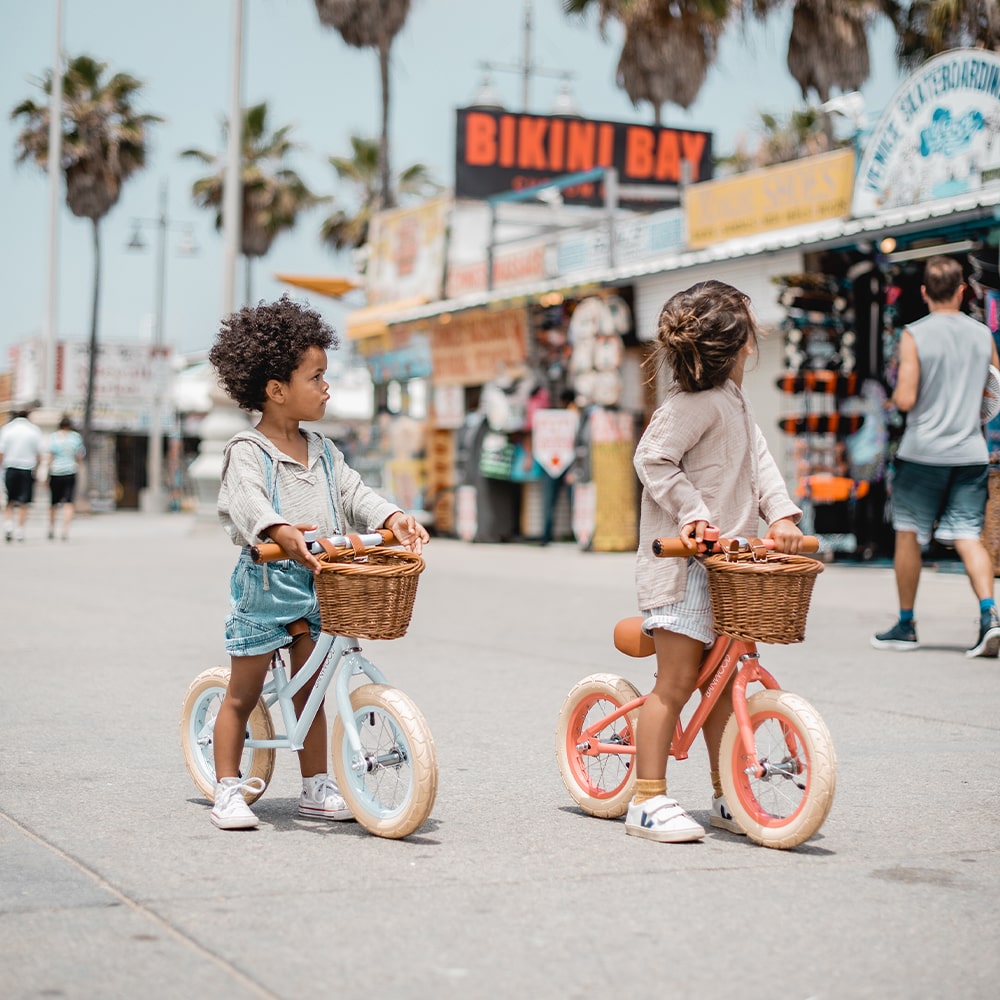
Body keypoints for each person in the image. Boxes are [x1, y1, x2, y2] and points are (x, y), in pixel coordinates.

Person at [207, 296, 429, 831]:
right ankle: (228, 788)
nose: (327, 386)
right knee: (242, 692)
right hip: (267, 582)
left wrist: (393, 516)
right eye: (317, 376)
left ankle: (316, 788)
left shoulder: (324, 450)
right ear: (276, 390)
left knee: (312, 689)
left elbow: (357, 494)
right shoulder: (248, 449)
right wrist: (279, 530)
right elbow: (248, 502)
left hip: (320, 581)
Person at [628, 280, 804, 843]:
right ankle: (647, 801)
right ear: (742, 345)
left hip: (730, 569)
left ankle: (728, 794)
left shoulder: (733, 401)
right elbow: (652, 459)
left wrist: (780, 516)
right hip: (684, 571)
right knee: (674, 684)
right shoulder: (690, 405)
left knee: (726, 687)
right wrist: (693, 514)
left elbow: (759, 460)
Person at [871, 255, 1000, 658]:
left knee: (908, 533)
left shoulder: (914, 334)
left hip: (922, 454)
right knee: (967, 534)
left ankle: (906, 624)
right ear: (963, 290)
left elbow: (907, 397)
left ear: (925, 292)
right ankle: (989, 616)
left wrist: (892, 398)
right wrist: (971, 417)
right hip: (969, 452)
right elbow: (995, 389)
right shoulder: (982, 335)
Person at [0, 409, 43, 543]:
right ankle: (20, 530)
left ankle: (8, 526)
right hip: (27, 468)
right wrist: (38, 468)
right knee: (24, 501)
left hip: (10, 467)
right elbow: (39, 453)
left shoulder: (7, 429)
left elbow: (2, 452)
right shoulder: (34, 430)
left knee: (9, 499)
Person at [44, 415, 86, 541]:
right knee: (68, 502)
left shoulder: (54, 437)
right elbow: (79, 456)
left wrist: (47, 473)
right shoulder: (76, 438)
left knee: (53, 503)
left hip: (55, 472)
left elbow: (50, 457)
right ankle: (65, 529)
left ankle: (51, 528)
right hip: (70, 472)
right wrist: (79, 468)